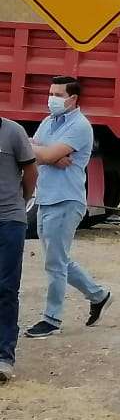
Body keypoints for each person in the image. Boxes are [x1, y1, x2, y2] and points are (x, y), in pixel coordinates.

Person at [24, 77, 111, 339]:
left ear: (73, 99)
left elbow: (44, 154)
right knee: (58, 258)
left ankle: (52, 318)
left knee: (54, 262)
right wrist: (46, 152)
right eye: (51, 93)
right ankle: (98, 295)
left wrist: (47, 152)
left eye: (58, 94)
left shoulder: (80, 126)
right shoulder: (49, 122)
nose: (52, 99)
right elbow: (32, 151)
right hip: (46, 198)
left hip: (65, 199)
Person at [0, 116, 36, 380]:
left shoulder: (13, 132)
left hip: (9, 221)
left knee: (6, 288)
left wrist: (20, 203)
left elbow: (30, 173)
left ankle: (4, 357)